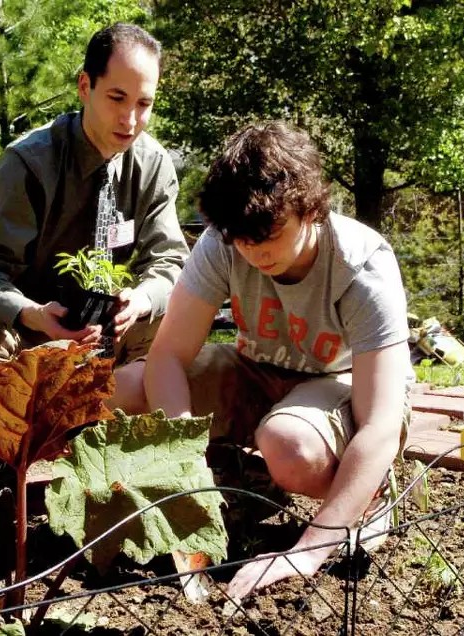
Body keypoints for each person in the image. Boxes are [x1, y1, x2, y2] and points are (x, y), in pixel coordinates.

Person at [111, 121, 412, 599]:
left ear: (310, 209)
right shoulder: (225, 241)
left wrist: (310, 550)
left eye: (268, 235)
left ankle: (366, 498)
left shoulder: (361, 265)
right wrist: (184, 457)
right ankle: (238, 477)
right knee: (124, 390)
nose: (254, 252)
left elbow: (380, 425)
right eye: (241, 239)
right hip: (255, 368)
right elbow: (167, 355)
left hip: (340, 384)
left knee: (290, 447)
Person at [0, 23, 189, 368]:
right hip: (28, 330)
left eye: (143, 103)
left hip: (110, 328)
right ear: (85, 86)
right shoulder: (28, 162)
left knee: (173, 321)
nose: (130, 119)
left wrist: (142, 301)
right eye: (117, 98)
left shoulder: (153, 165)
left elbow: (170, 262)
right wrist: (33, 314)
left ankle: (126, 416)